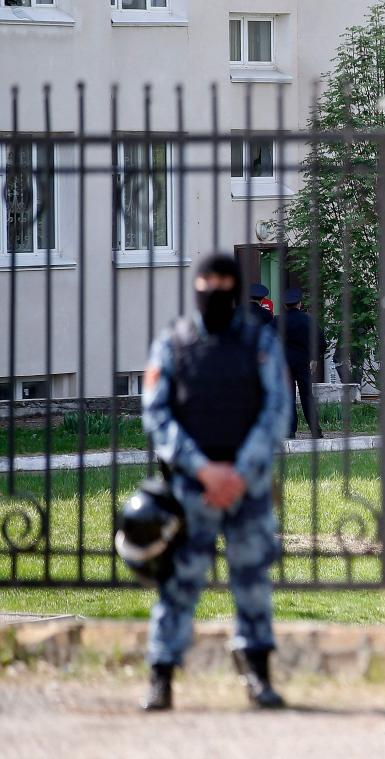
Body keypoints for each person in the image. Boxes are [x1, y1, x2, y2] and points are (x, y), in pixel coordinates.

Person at [140, 253, 290, 711]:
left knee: (252, 582)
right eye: (208, 280)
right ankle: (161, 677)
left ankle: (258, 675)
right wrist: (204, 470)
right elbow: (157, 412)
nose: (216, 288)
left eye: (224, 280)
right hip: (194, 487)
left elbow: (276, 410)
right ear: (196, 285)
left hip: (246, 487)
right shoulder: (173, 343)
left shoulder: (260, 344)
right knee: (179, 583)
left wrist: (239, 471)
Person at [276, 287, 324, 439]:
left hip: (284, 364)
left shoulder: (278, 321)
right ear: (300, 304)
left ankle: (290, 430)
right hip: (304, 363)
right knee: (307, 396)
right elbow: (321, 342)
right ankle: (315, 430)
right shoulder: (308, 320)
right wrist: (314, 358)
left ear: (284, 305)